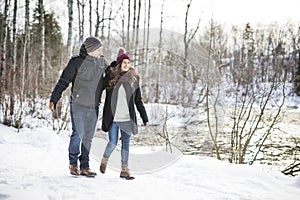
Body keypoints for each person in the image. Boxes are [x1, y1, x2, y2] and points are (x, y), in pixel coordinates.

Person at [49, 36, 108, 177]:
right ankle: (73, 163)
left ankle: (85, 166)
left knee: (88, 137)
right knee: (78, 134)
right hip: (78, 105)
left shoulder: (101, 62)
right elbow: (63, 81)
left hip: (94, 106)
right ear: (91, 49)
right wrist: (54, 98)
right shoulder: (75, 62)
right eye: (99, 49)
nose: (101, 51)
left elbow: (111, 76)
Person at [99, 50, 148, 180]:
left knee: (126, 143)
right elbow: (100, 88)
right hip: (113, 118)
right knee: (113, 142)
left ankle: (124, 169)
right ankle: (105, 158)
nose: (126, 64)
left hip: (127, 118)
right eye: (124, 62)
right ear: (119, 63)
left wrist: (144, 117)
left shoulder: (133, 78)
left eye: (128, 62)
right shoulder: (111, 77)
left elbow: (138, 100)